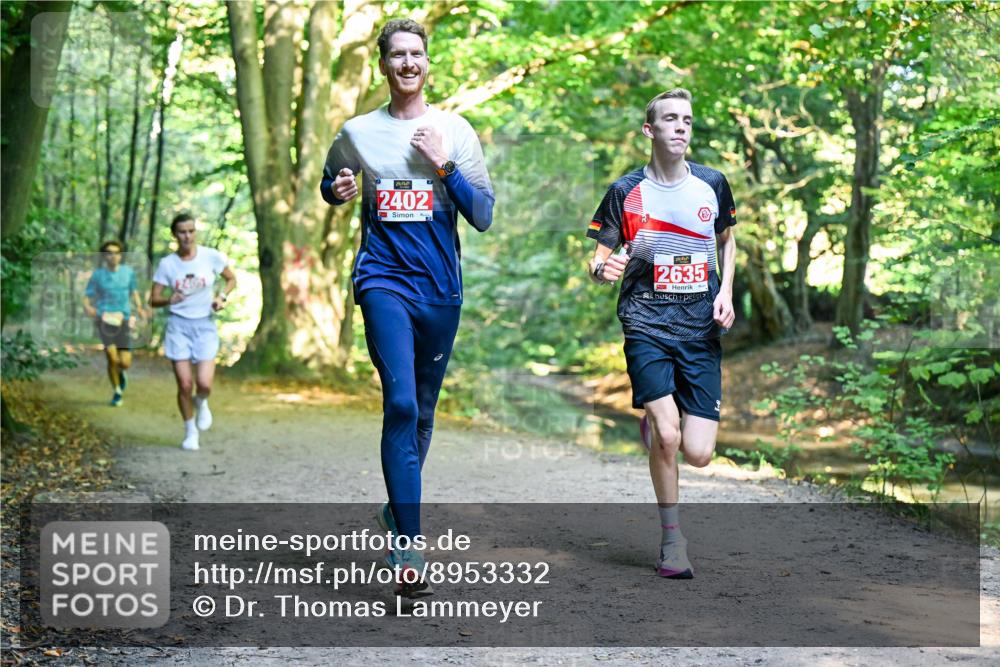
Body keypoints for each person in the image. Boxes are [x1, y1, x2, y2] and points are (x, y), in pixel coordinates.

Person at [320, 18, 495, 596]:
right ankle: (409, 552)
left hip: (440, 291)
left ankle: (397, 510)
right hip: (382, 280)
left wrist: (443, 163)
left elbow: (483, 214)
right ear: (384, 65)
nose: (407, 63)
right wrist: (339, 189)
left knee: (420, 412)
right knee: (398, 402)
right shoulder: (357, 132)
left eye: (416, 53)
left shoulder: (456, 131)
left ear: (428, 62)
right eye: (396, 54)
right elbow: (332, 179)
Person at [586, 88, 737, 579]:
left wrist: (727, 292)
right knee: (670, 439)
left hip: (699, 328)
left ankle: (657, 428)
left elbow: (727, 240)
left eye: (687, 121)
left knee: (699, 453)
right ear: (649, 130)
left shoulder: (713, 184)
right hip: (645, 323)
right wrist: (601, 269)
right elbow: (599, 256)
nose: (680, 127)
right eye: (670, 119)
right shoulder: (624, 191)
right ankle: (673, 542)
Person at [149, 213, 236, 452]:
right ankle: (190, 431)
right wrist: (169, 299)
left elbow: (231, 279)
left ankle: (203, 402)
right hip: (178, 327)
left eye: (191, 231)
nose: (187, 236)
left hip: (205, 325)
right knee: (185, 384)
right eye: (182, 232)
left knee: (204, 384)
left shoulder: (210, 257)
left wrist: (222, 297)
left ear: (195, 232)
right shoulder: (168, 264)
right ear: (175, 235)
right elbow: (153, 299)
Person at [83, 240, 146, 407]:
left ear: (121, 255)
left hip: (123, 319)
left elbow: (134, 291)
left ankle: (121, 374)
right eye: (109, 253)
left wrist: (140, 309)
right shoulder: (98, 275)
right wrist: (87, 307)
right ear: (104, 256)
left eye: (117, 253)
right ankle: (117, 391)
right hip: (104, 318)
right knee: (111, 357)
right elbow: (87, 295)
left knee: (124, 362)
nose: (113, 256)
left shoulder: (128, 272)